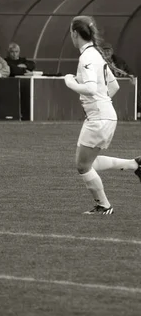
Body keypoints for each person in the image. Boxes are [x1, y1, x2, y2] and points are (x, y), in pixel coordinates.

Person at [64, 15, 141, 215]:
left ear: (74, 33)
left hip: (99, 117)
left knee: (83, 166)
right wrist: (99, 105)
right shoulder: (95, 54)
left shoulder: (87, 56)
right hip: (103, 115)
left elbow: (89, 88)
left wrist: (69, 82)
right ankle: (134, 164)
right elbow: (113, 86)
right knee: (86, 162)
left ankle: (104, 205)